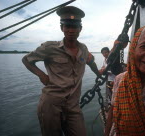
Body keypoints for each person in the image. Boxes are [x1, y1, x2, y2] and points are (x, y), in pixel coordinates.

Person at [22, 6, 100, 136]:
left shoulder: (83, 49)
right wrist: (41, 75)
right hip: (51, 105)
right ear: (61, 28)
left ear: (80, 29)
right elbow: (26, 60)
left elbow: (91, 61)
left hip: (73, 107)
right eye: (67, 26)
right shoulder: (49, 47)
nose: (70, 30)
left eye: (74, 27)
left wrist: (99, 74)